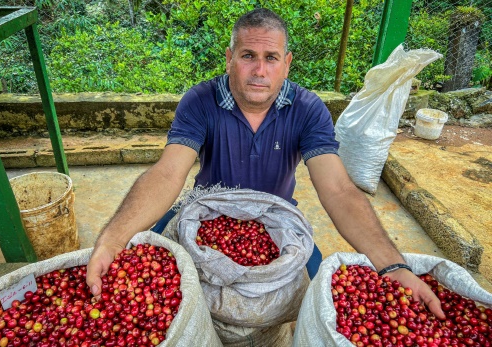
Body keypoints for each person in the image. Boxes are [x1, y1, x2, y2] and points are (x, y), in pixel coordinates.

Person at [86, 8, 445, 319]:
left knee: (317, 295)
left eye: (271, 57)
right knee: (152, 280)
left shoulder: (308, 110)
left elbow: (337, 189)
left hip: (277, 218)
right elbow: (167, 173)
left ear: (286, 64)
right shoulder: (200, 101)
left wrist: (392, 265)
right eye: (247, 56)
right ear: (229, 58)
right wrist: (113, 240)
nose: (259, 70)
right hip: (207, 211)